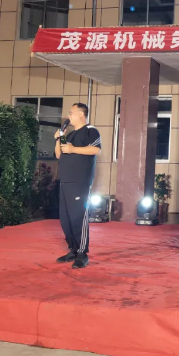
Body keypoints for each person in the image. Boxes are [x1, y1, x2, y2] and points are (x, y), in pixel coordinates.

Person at [54, 103, 101, 269]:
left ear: (81, 114)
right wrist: (59, 138)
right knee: (65, 219)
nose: (69, 116)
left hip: (79, 181)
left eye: (71, 113)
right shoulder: (70, 134)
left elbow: (95, 150)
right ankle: (73, 250)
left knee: (77, 217)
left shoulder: (91, 131)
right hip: (65, 180)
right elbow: (59, 154)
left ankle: (82, 254)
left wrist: (73, 149)